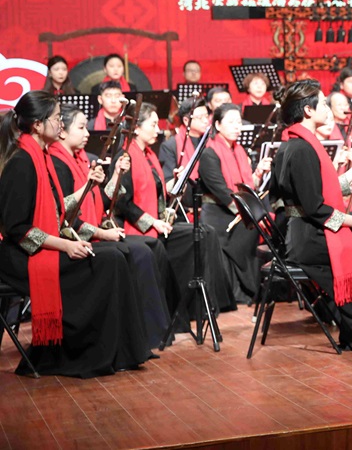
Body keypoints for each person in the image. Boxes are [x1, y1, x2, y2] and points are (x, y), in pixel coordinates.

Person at [0, 91, 151, 377]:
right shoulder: (22, 161)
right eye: (57, 118)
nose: (60, 123)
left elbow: (59, 212)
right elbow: (18, 229)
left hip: (43, 246)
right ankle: (79, 355)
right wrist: (66, 246)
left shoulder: (41, 157)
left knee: (115, 254)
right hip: (20, 257)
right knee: (108, 261)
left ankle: (123, 352)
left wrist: (80, 233)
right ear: (37, 125)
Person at [269, 80, 352, 351]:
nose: (327, 108)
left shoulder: (296, 143)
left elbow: (320, 192)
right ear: (308, 110)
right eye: (323, 103)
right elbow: (315, 208)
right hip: (309, 237)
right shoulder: (301, 148)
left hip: (309, 230)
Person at [50, 106, 171, 350]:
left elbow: (104, 202)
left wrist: (115, 175)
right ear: (62, 131)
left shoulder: (83, 159)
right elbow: (64, 218)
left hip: (93, 233)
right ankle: (132, 337)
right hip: (73, 239)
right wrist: (103, 233)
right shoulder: (58, 162)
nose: (88, 133)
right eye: (81, 128)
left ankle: (152, 331)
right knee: (137, 252)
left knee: (149, 249)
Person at [113, 102, 235, 328]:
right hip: (136, 228)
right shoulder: (125, 156)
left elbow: (157, 193)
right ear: (136, 128)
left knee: (204, 233)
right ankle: (179, 312)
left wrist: (177, 183)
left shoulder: (148, 154)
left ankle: (201, 308)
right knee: (198, 235)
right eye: (152, 125)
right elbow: (122, 202)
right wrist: (154, 223)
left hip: (156, 222)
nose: (158, 129)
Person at [198, 103, 271, 305]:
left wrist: (259, 173)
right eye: (231, 122)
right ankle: (243, 291)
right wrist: (247, 213)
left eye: (239, 122)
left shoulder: (239, 150)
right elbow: (221, 190)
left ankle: (250, 290)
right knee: (252, 229)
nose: (237, 127)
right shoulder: (209, 153)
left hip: (237, 211)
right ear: (217, 125)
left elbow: (246, 185)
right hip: (219, 213)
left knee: (257, 228)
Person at [158, 97, 210, 179]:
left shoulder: (211, 140)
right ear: (186, 120)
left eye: (206, 116)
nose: (205, 121)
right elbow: (168, 179)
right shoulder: (170, 146)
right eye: (200, 117)